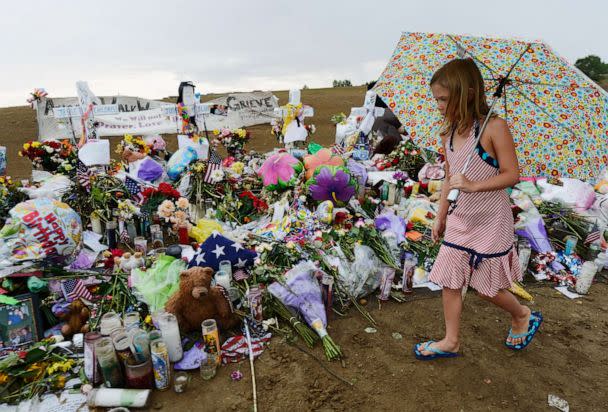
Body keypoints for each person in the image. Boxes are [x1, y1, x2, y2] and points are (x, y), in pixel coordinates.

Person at [413, 58, 542, 360]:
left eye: (444, 99)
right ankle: (451, 341)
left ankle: (522, 314)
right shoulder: (447, 133)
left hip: (490, 220)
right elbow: (449, 178)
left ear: (467, 93)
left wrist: (472, 185)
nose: (439, 106)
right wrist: (441, 216)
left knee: (486, 287)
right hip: (461, 219)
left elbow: (511, 174)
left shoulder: (494, 129)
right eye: (436, 100)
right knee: (450, 279)